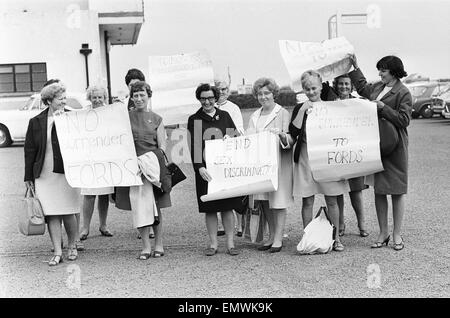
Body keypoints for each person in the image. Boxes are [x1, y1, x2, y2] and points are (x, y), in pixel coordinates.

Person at [348, 54, 412, 251]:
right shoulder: (377, 87)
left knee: (397, 191)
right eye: (379, 70)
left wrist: (383, 108)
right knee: (379, 189)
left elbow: (404, 120)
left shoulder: (403, 92)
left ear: (393, 71)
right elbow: (362, 88)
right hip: (377, 145)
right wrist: (355, 67)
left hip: (395, 147)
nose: (380, 73)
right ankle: (383, 233)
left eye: (383, 70)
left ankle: (397, 234)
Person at [286, 70, 349, 252]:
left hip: (326, 157)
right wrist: (304, 109)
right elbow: (293, 132)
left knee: (332, 200)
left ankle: (336, 238)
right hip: (305, 156)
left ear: (321, 87)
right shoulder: (300, 107)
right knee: (307, 201)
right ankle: (308, 236)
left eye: (313, 88)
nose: (311, 92)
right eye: (307, 89)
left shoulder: (331, 106)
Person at [24, 82, 80, 266]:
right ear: (49, 100)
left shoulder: (74, 118)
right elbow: (29, 150)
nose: (64, 100)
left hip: (66, 173)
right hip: (44, 174)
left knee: (68, 211)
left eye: (65, 97)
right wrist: (28, 177)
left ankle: (72, 245)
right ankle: (57, 251)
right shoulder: (36, 122)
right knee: (52, 214)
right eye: (60, 98)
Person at [115, 81, 170, 259]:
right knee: (139, 206)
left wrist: (148, 163)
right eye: (135, 95)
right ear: (131, 97)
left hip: (152, 169)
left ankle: (159, 243)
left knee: (155, 207)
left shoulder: (157, 119)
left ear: (148, 96)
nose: (138, 99)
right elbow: (120, 143)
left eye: (142, 95)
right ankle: (146, 245)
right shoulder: (125, 117)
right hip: (133, 169)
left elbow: (162, 147)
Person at [187, 83, 242, 256]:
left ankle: (231, 243)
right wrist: (199, 167)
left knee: (227, 206)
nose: (207, 102)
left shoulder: (225, 116)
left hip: (224, 169)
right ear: (199, 99)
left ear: (215, 98)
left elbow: (236, 138)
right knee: (209, 208)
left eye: (210, 98)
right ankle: (213, 244)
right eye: (203, 98)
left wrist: (231, 137)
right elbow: (194, 145)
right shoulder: (194, 119)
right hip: (206, 171)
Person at [247, 78, 294, 253]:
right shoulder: (254, 116)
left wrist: (281, 136)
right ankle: (271, 235)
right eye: (260, 93)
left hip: (278, 163)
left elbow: (290, 139)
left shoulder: (282, 113)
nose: (263, 96)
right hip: (261, 164)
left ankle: (278, 238)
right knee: (264, 200)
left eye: (267, 93)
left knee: (278, 200)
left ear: (274, 94)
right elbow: (249, 138)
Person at [330, 74, 369, 237]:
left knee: (356, 190)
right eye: (340, 84)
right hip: (336, 150)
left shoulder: (358, 103)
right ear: (336, 85)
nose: (343, 87)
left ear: (351, 86)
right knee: (338, 190)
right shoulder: (330, 104)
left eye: (346, 84)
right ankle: (340, 224)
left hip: (353, 151)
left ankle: (362, 224)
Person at [78, 85, 114, 242]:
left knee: (104, 194)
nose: (97, 100)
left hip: (105, 158)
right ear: (90, 98)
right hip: (89, 159)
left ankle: (103, 225)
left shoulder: (111, 112)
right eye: (95, 97)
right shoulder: (84, 113)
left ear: (104, 97)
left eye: (100, 97)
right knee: (89, 194)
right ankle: (85, 227)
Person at [214, 79, 245, 237]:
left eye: (224, 89)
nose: (222, 92)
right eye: (218, 89)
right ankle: (221, 224)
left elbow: (239, 129)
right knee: (219, 188)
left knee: (235, 189)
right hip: (215, 154)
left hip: (231, 151)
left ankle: (239, 224)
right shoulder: (209, 107)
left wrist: (228, 137)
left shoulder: (234, 108)